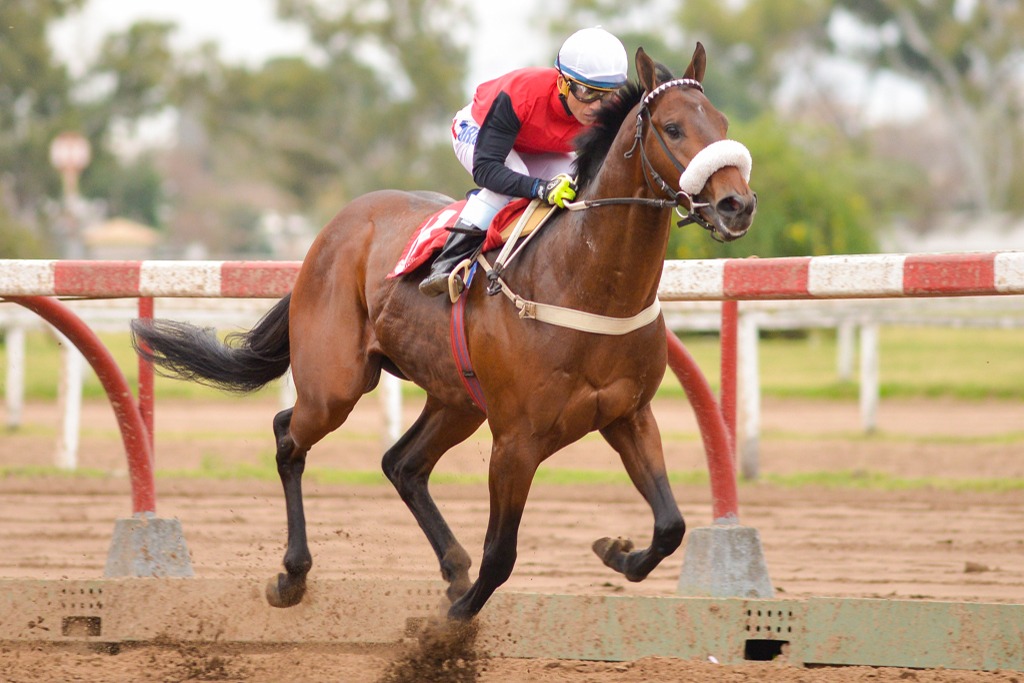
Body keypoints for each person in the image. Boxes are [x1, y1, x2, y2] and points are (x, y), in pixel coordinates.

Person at [419, 26, 629, 297]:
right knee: (511, 179)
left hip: (535, 144)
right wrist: (540, 188)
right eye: (587, 93)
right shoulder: (522, 94)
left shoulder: (610, 111)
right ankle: (446, 264)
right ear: (563, 83)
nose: (598, 107)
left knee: (575, 184)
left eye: (608, 95)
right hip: (479, 130)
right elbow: (486, 169)